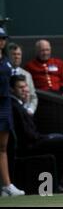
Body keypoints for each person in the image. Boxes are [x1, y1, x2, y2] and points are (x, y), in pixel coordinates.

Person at [10, 74, 63, 192]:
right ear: (12, 90)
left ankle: (61, 183)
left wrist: (47, 137)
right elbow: (27, 135)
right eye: (20, 88)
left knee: (62, 140)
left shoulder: (19, 105)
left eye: (25, 87)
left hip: (34, 141)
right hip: (28, 147)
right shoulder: (15, 106)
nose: (25, 90)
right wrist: (46, 137)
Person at [0, 28, 25, 196]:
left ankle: (7, 186)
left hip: (5, 105)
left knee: (2, 147)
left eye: (3, 38)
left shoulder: (6, 60)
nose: (1, 41)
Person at [8, 43, 38, 115]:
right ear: (8, 56)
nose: (17, 57)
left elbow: (33, 97)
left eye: (19, 54)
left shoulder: (27, 75)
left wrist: (30, 110)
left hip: (25, 114)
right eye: (14, 54)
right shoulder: (3, 72)